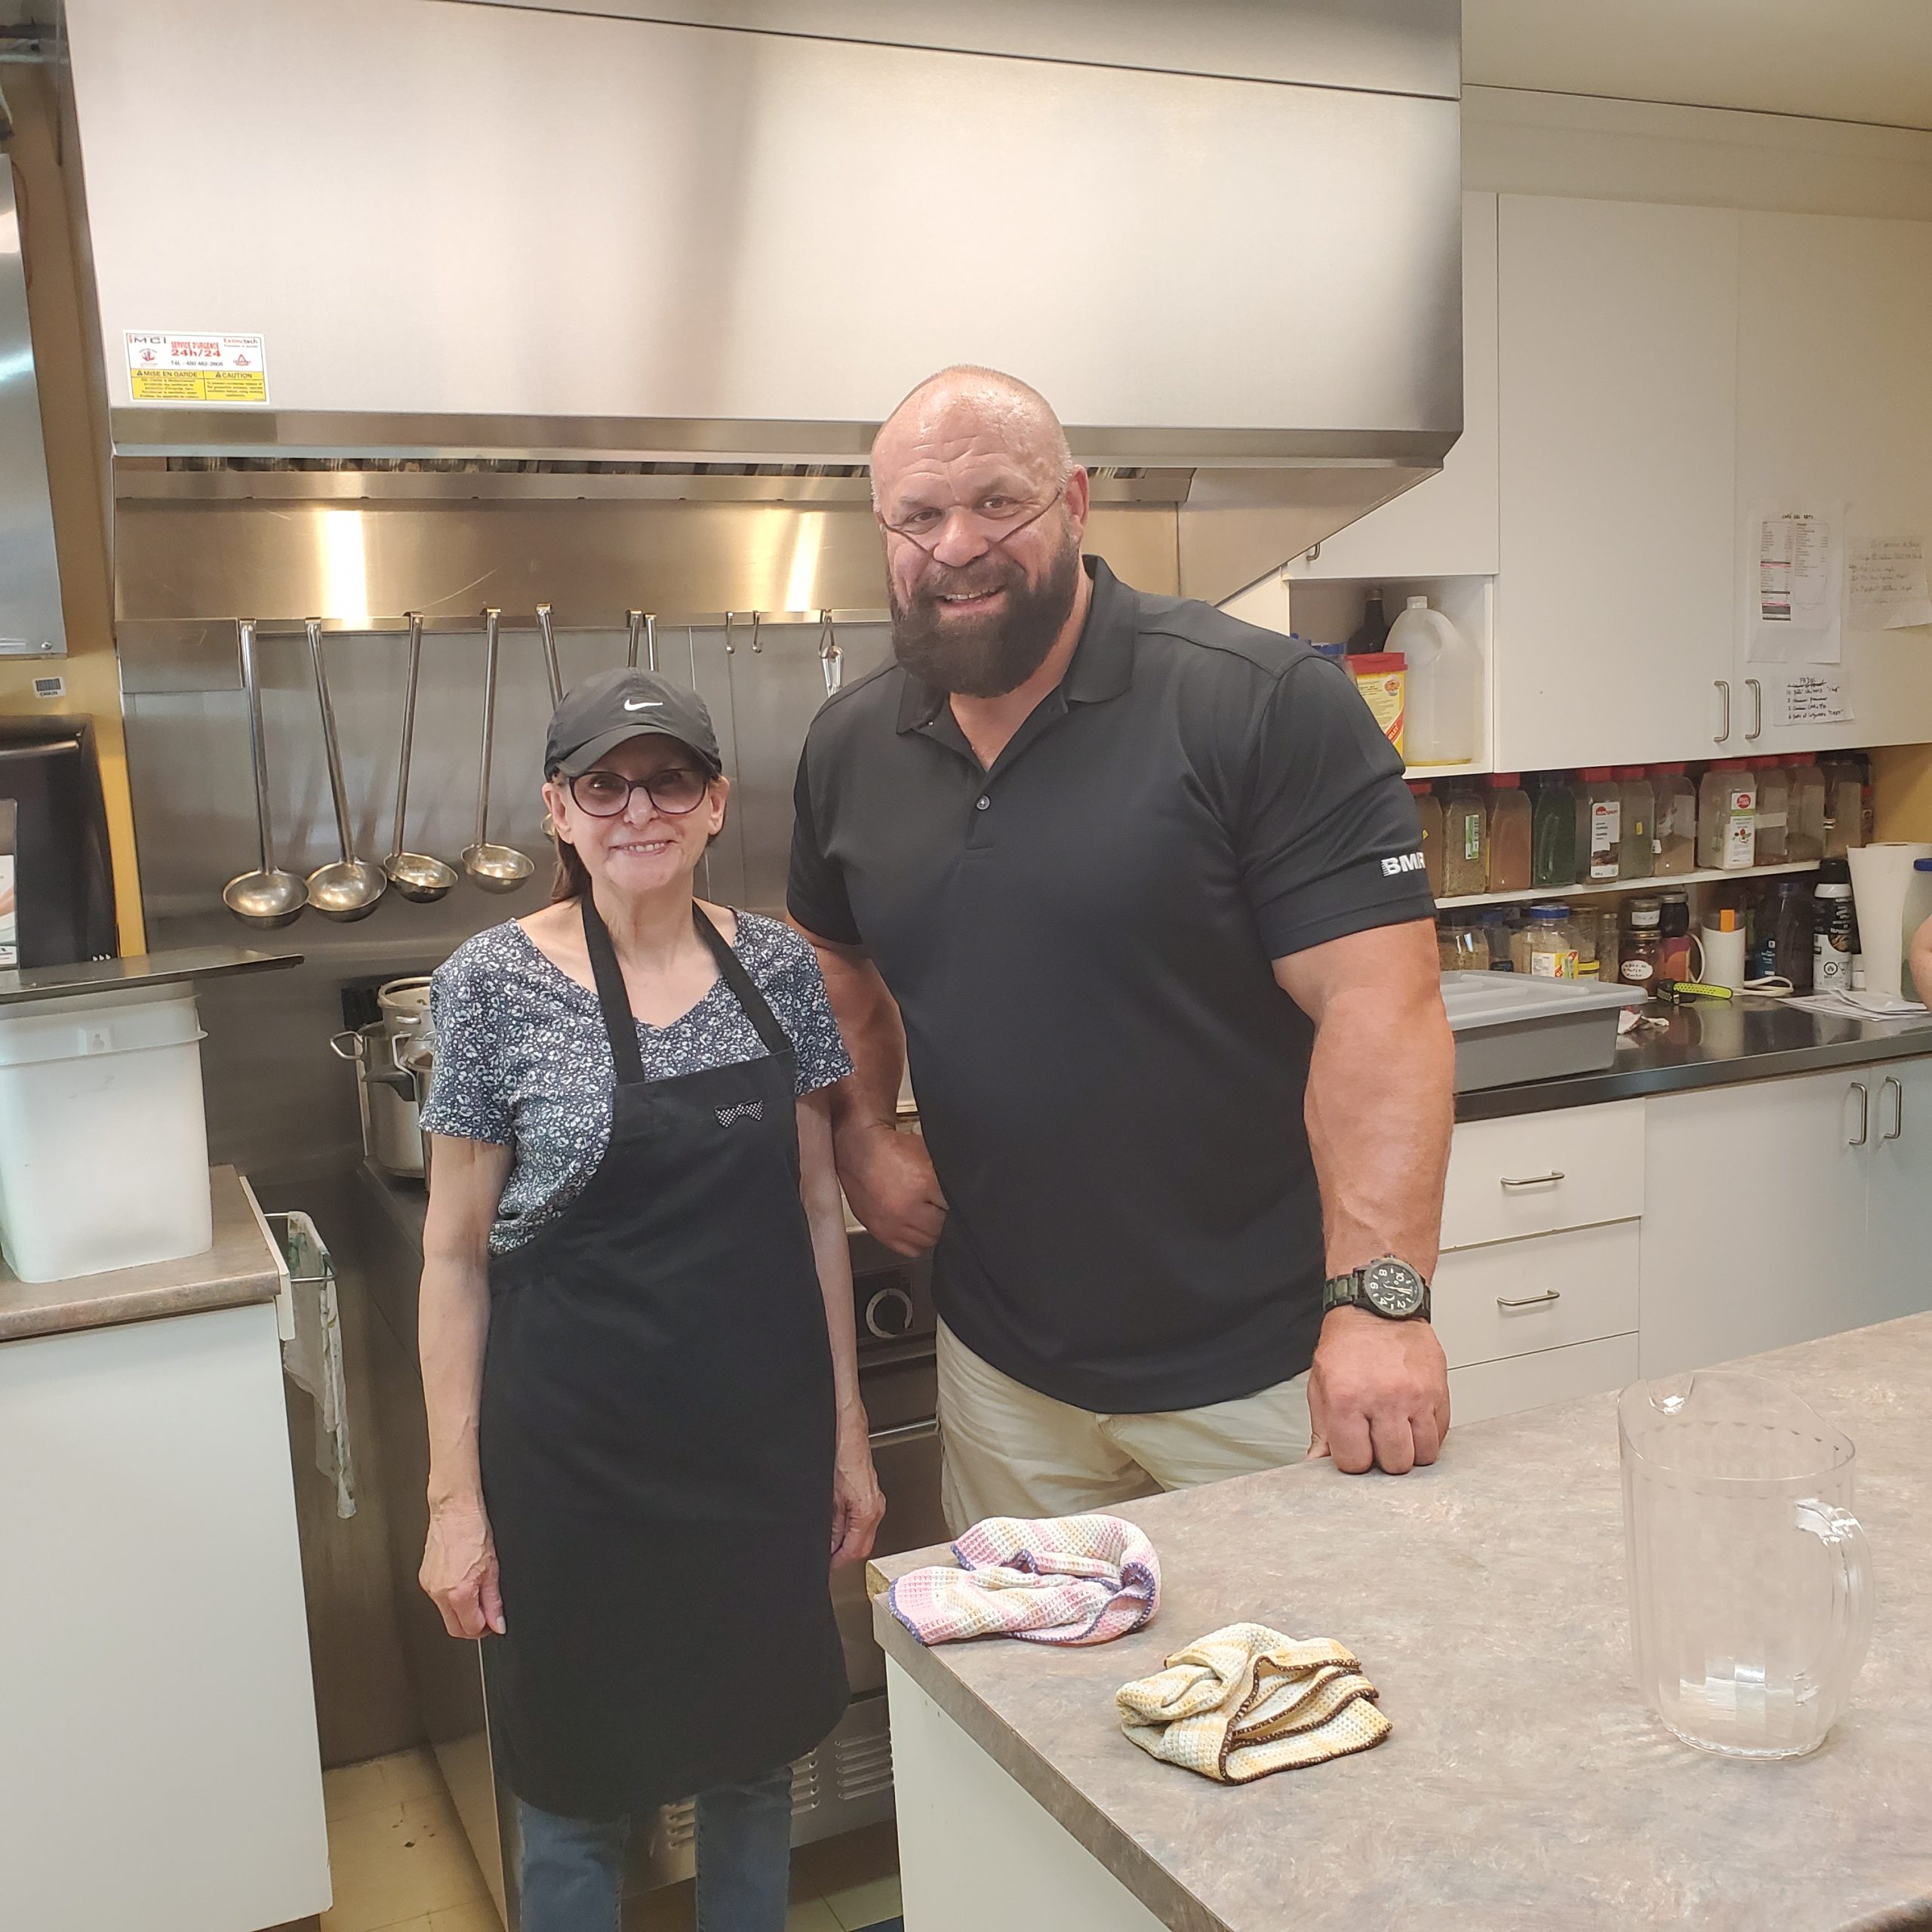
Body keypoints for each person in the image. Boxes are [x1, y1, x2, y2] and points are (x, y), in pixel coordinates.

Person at [788, 365, 1454, 1533]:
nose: (958, 546)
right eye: (921, 517)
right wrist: (864, 1132)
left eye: (1000, 504)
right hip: (1003, 1376)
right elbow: (831, 961)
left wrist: (1381, 1307)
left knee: (1301, 1696)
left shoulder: (1258, 705)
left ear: (1077, 504)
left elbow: (1381, 1011)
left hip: (1259, 1371)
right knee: (1034, 1698)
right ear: (882, 530)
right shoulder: (852, 745)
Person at [417, 668, 884, 1932]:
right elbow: (453, 1257)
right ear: (558, 812)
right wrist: (455, 1503)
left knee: (754, 1758)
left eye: (669, 778)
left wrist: (844, 1433)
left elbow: (811, 1207)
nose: (639, 808)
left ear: (716, 801)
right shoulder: (490, 985)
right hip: (574, 1457)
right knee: (573, 1785)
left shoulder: (777, 963)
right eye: (604, 783)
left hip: (752, 1445)